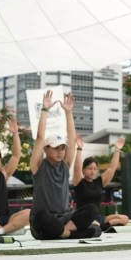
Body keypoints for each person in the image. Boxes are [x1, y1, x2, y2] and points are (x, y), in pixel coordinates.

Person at [30, 91, 102, 240]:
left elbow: (72, 139)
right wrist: (45, 109)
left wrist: (68, 112)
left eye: (63, 148)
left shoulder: (65, 164)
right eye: (56, 148)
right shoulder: (38, 165)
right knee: (42, 215)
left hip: (64, 218)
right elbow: (40, 138)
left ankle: (64, 233)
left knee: (92, 210)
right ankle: (72, 234)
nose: (60, 151)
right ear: (46, 149)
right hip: (44, 221)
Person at [72, 137, 130, 229]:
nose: (92, 171)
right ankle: (97, 226)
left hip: (98, 218)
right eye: (89, 168)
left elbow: (112, 169)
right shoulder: (79, 182)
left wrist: (117, 150)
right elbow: (76, 169)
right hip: (83, 218)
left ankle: (100, 226)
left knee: (124, 219)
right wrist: (79, 149)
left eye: (94, 169)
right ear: (83, 170)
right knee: (95, 223)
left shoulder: (98, 182)